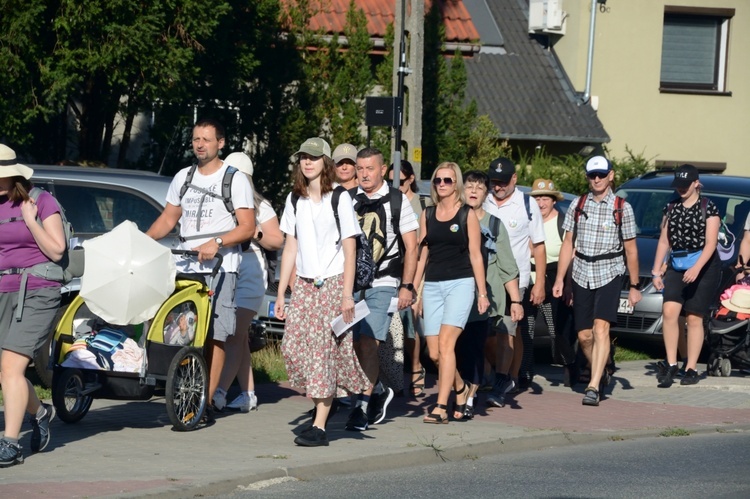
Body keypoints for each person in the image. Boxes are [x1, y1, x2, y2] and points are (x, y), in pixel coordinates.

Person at [146, 119, 255, 420]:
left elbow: (247, 228)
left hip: (221, 268)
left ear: (221, 143)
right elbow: (169, 219)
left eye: (206, 139)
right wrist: (142, 240)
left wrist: (217, 242)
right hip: (185, 266)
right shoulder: (183, 177)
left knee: (215, 336)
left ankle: (204, 403)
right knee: (182, 333)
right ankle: (182, 394)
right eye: (196, 138)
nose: (199, 144)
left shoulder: (234, 179)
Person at [275, 137, 370, 447]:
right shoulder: (294, 200)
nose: (308, 161)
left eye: (314, 157)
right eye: (304, 156)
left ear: (325, 163)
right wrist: (280, 293)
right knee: (291, 347)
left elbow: (350, 247)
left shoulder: (339, 198)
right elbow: (291, 246)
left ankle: (320, 425)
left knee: (322, 352)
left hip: (332, 282)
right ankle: (324, 400)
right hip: (302, 285)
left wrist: (346, 295)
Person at [553, 156, 642, 406]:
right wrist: (561, 278)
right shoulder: (578, 204)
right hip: (582, 271)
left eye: (601, 174)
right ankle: (599, 369)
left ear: (611, 175)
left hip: (610, 271)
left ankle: (593, 386)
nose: (597, 179)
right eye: (592, 175)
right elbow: (568, 242)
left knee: (601, 328)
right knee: (584, 336)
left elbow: (631, 249)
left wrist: (634, 286)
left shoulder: (622, 207)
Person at [0, 144, 65, 467]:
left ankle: (10, 444)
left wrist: (31, 221)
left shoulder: (39, 201)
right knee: (6, 371)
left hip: (38, 290)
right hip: (2, 291)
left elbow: (56, 251)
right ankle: (39, 413)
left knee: (11, 367)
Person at [345, 147, 418, 431]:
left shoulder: (397, 201)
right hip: (352, 283)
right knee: (350, 345)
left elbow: (411, 247)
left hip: (384, 281)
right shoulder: (348, 199)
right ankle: (376, 391)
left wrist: (407, 286)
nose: (364, 174)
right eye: (360, 169)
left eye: (369, 168)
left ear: (383, 169)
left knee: (368, 342)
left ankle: (360, 407)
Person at [412, 162, 490, 423]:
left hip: (461, 283)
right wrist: (414, 288)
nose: (442, 184)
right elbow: (422, 254)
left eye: (447, 180)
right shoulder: (427, 214)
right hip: (433, 285)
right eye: (437, 180)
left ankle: (440, 406)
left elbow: (477, 256)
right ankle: (460, 387)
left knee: (447, 345)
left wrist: (482, 293)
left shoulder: (466, 214)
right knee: (434, 353)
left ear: (455, 183)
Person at [214, 152, 283, 412]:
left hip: (250, 276)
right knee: (239, 338)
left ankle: (218, 393)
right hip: (224, 273)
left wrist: (252, 230)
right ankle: (248, 394)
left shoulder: (259, 206)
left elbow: (277, 240)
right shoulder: (219, 202)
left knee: (233, 335)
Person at [457, 171, 523, 418]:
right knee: (459, 347)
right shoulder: (454, 218)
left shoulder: (495, 224)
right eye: (469, 186)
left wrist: (515, 301)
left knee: (485, 343)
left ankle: (485, 389)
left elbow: (507, 266)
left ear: (486, 193)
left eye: (479, 187)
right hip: (458, 294)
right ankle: (462, 391)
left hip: (489, 297)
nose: (473, 191)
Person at [482, 158, 546, 407]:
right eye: (493, 181)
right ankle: (500, 374)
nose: (496, 187)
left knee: (507, 329)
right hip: (485, 279)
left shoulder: (527, 204)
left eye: (502, 182)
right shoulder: (482, 199)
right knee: (489, 333)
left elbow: (539, 247)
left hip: (514, 279)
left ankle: (505, 379)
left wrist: (539, 282)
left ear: (514, 180)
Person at [651, 164, 721, 387]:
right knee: (669, 311)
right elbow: (664, 241)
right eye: (678, 185)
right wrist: (655, 270)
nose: (681, 188)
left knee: (693, 317)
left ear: (696, 183)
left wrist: (697, 268)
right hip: (677, 264)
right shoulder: (671, 207)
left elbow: (711, 244)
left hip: (704, 266)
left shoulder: (708, 208)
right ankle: (672, 363)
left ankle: (691, 367)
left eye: (685, 184)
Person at [529, 178, 578, 387]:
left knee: (557, 329)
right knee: (526, 329)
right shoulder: (527, 219)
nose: (541, 203)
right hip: (529, 278)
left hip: (555, 277)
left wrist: (567, 285)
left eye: (545, 199)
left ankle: (570, 366)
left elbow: (571, 255)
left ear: (554, 201)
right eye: (537, 198)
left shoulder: (562, 222)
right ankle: (523, 372)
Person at [388, 160, 426, 397]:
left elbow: (424, 245)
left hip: (417, 268)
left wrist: (416, 281)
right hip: (393, 268)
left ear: (410, 179)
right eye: (391, 182)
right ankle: (394, 370)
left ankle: (415, 367)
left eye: (400, 182)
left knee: (410, 319)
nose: (396, 186)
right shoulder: (389, 201)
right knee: (394, 321)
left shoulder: (421, 204)